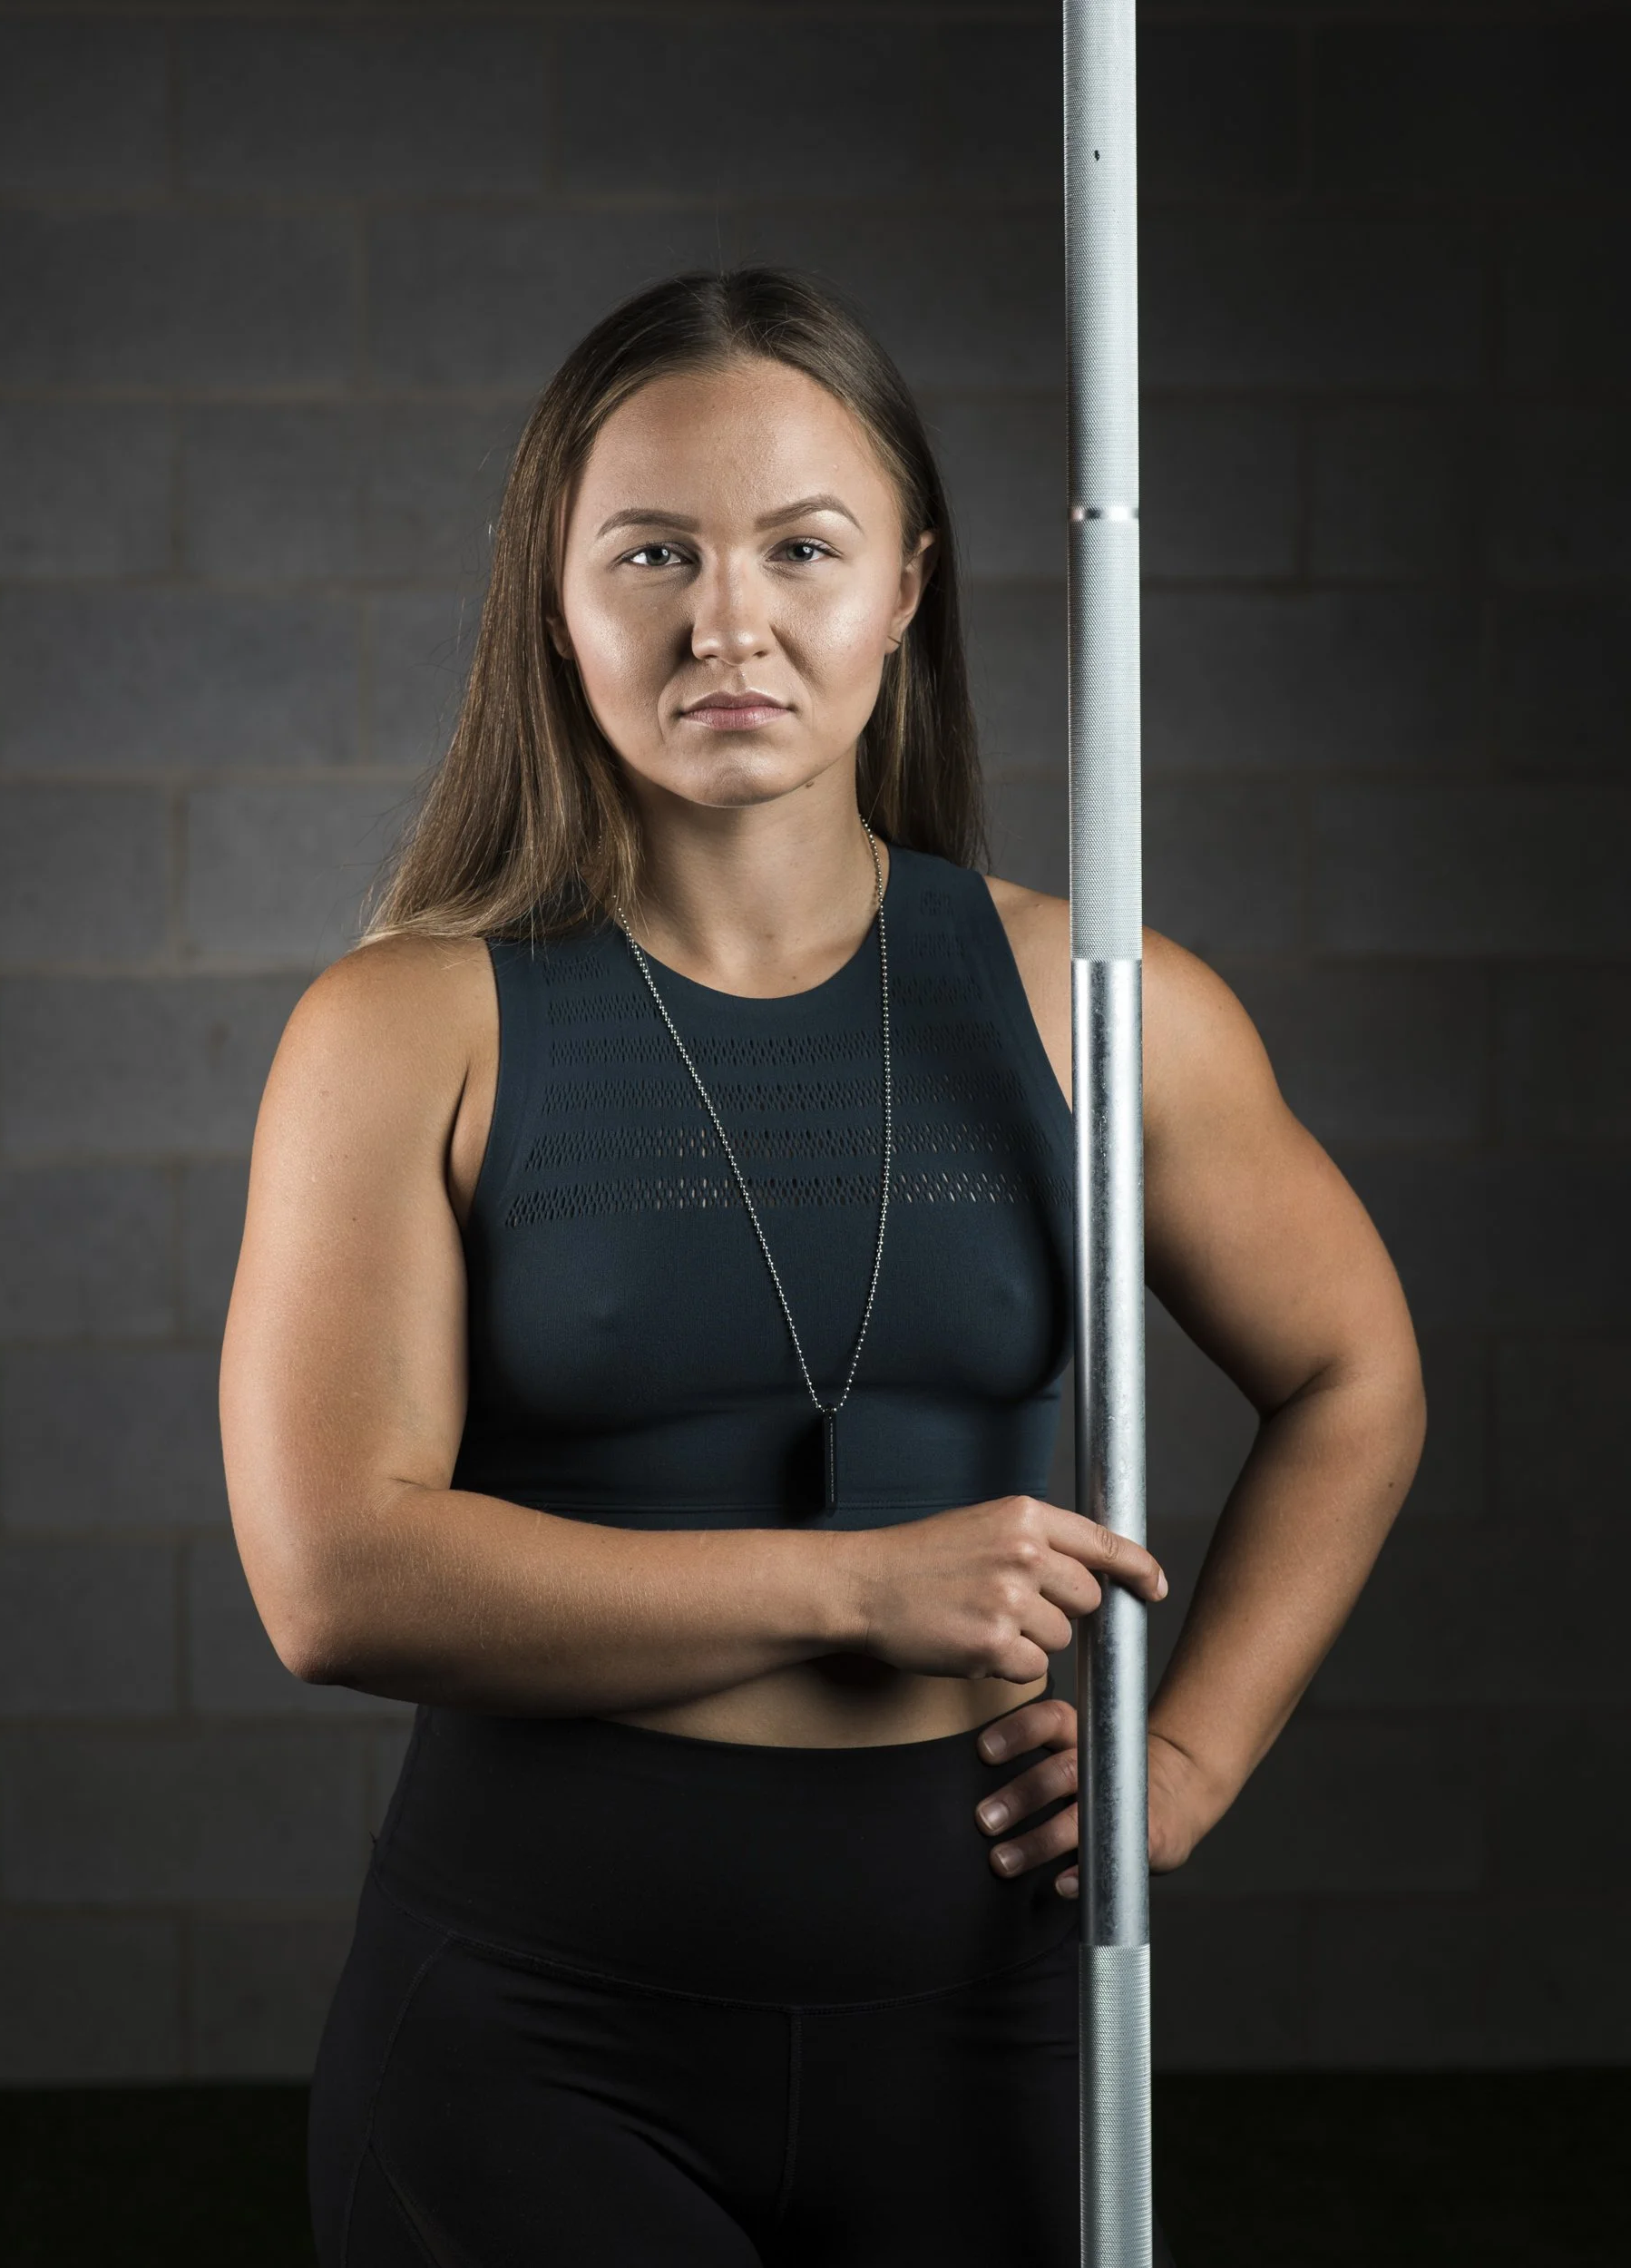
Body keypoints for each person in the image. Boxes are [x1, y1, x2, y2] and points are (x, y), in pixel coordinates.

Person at [219, 269, 1423, 2268]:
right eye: (654, 553)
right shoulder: (403, 1023)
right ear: (555, 595)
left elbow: (1353, 1371)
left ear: (907, 591)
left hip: (991, 2015)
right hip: (530, 2035)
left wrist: (1187, 1753)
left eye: (800, 547)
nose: (729, 619)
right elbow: (332, 1573)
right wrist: (860, 1580)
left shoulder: (1091, 1001)